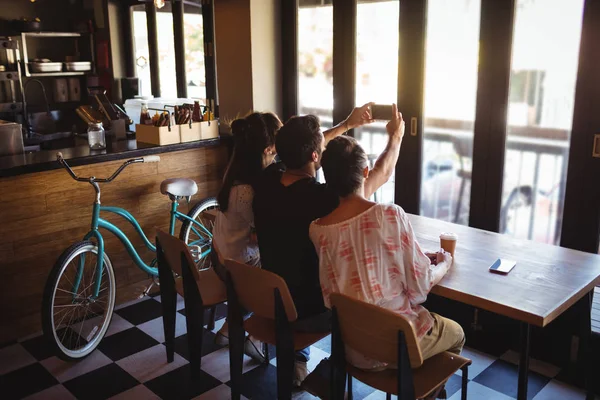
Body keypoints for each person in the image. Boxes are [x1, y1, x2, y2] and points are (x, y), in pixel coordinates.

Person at [252, 102, 402, 385]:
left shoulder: (267, 180)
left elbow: (300, 148)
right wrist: (396, 138)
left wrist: (347, 125)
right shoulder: (322, 199)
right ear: (314, 156)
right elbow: (379, 174)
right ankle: (338, 364)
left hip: (268, 302)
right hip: (309, 313)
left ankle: (300, 358)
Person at [308, 123, 465, 371]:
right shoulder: (388, 215)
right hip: (394, 346)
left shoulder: (318, 230)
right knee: (456, 333)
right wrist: (444, 264)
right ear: (366, 171)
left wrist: (411, 256)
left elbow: (347, 272)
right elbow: (420, 285)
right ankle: (419, 391)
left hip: (352, 346)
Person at [211, 112, 282, 360]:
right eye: (276, 151)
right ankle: (257, 337)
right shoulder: (248, 191)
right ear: (268, 150)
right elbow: (265, 234)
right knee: (283, 274)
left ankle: (229, 328)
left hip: (219, 256)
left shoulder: (235, 174)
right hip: (233, 266)